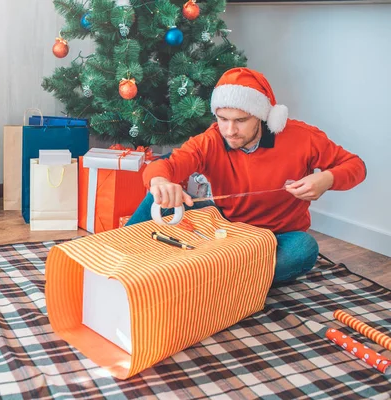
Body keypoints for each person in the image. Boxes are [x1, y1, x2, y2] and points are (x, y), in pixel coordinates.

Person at [126, 67, 366, 284]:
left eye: (241, 121)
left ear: (261, 116)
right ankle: (119, 258)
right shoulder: (212, 140)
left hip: (276, 237)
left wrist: (327, 179)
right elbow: (166, 165)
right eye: (223, 119)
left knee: (303, 249)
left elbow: (355, 166)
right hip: (224, 227)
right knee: (157, 198)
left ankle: (213, 278)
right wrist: (160, 182)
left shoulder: (303, 137)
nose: (230, 131)